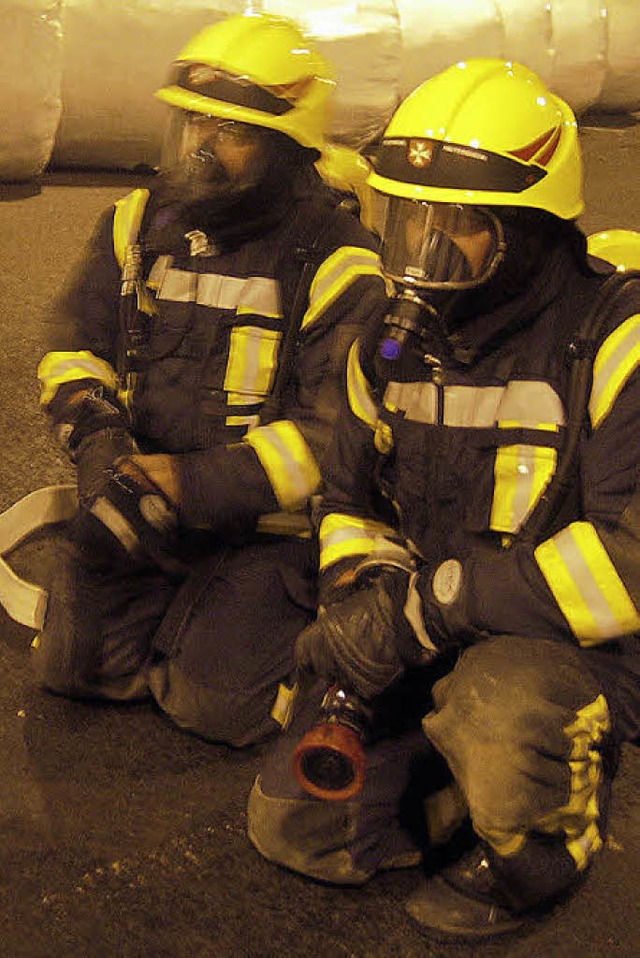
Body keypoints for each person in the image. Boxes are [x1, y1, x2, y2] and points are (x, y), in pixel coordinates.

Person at [247, 59, 640, 937]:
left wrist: (429, 605)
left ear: (534, 230)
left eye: (458, 224)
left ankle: (550, 836)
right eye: (407, 216)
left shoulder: (617, 342)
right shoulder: (389, 349)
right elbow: (352, 503)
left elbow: (629, 563)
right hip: (430, 623)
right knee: (296, 828)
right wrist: (361, 606)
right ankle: (450, 766)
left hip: (575, 646)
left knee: (505, 718)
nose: (422, 249)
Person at [31, 12, 389, 747]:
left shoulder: (339, 262)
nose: (199, 146)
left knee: (212, 704)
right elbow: (75, 347)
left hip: (264, 533)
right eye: (192, 124)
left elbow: (328, 440)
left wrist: (190, 484)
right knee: (72, 670)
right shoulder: (136, 227)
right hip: (146, 501)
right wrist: (102, 446)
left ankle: (279, 638)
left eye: (230, 132)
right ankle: (190, 614)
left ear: (288, 149)